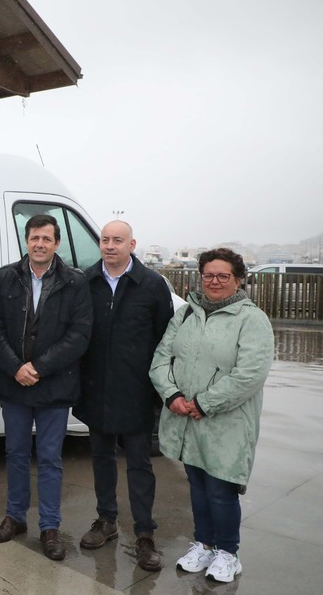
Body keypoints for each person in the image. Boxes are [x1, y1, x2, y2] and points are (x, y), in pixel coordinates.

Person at [150, 248, 273, 584]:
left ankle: (228, 553)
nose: (214, 281)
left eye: (223, 276)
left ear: (238, 280)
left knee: (221, 488)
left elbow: (250, 374)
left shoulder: (252, 320)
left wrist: (204, 403)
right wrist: (172, 395)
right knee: (198, 486)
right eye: (209, 275)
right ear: (200, 277)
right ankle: (204, 544)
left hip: (226, 423)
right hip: (186, 418)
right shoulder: (187, 313)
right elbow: (162, 358)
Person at [0, 214, 92, 561]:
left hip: (54, 387)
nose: (40, 244)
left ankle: (49, 527)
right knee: (15, 455)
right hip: (14, 384)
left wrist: (38, 367)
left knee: (50, 459)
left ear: (57, 243)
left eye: (47, 238)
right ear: (26, 241)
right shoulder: (6, 277)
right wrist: (16, 367)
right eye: (34, 238)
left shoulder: (75, 282)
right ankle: (15, 518)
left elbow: (79, 335)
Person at [73, 221, 173, 571]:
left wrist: (160, 389)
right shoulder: (85, 281)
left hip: (137, 391)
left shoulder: (152, 285)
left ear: (132, 244)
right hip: (96, 390)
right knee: (101, 458)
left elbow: (166, 340)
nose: (110, 245)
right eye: (105, 240)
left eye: (118, 240)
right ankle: (106, 521)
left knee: (140, 465)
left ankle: (144, 534)